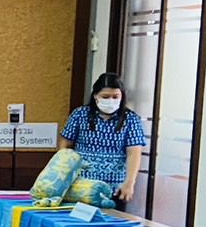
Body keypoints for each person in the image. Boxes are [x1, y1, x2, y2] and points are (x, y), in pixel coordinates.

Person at [60, 73, 147, 205]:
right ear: (95, 96)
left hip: (114, 188)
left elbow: (134, 153)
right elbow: (65, 145)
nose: (111, 100)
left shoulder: (131, 119)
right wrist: (61, 173)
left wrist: (129, 183)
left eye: (115, 97)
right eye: (105, 97)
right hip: (80, 185)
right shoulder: (79, 114)